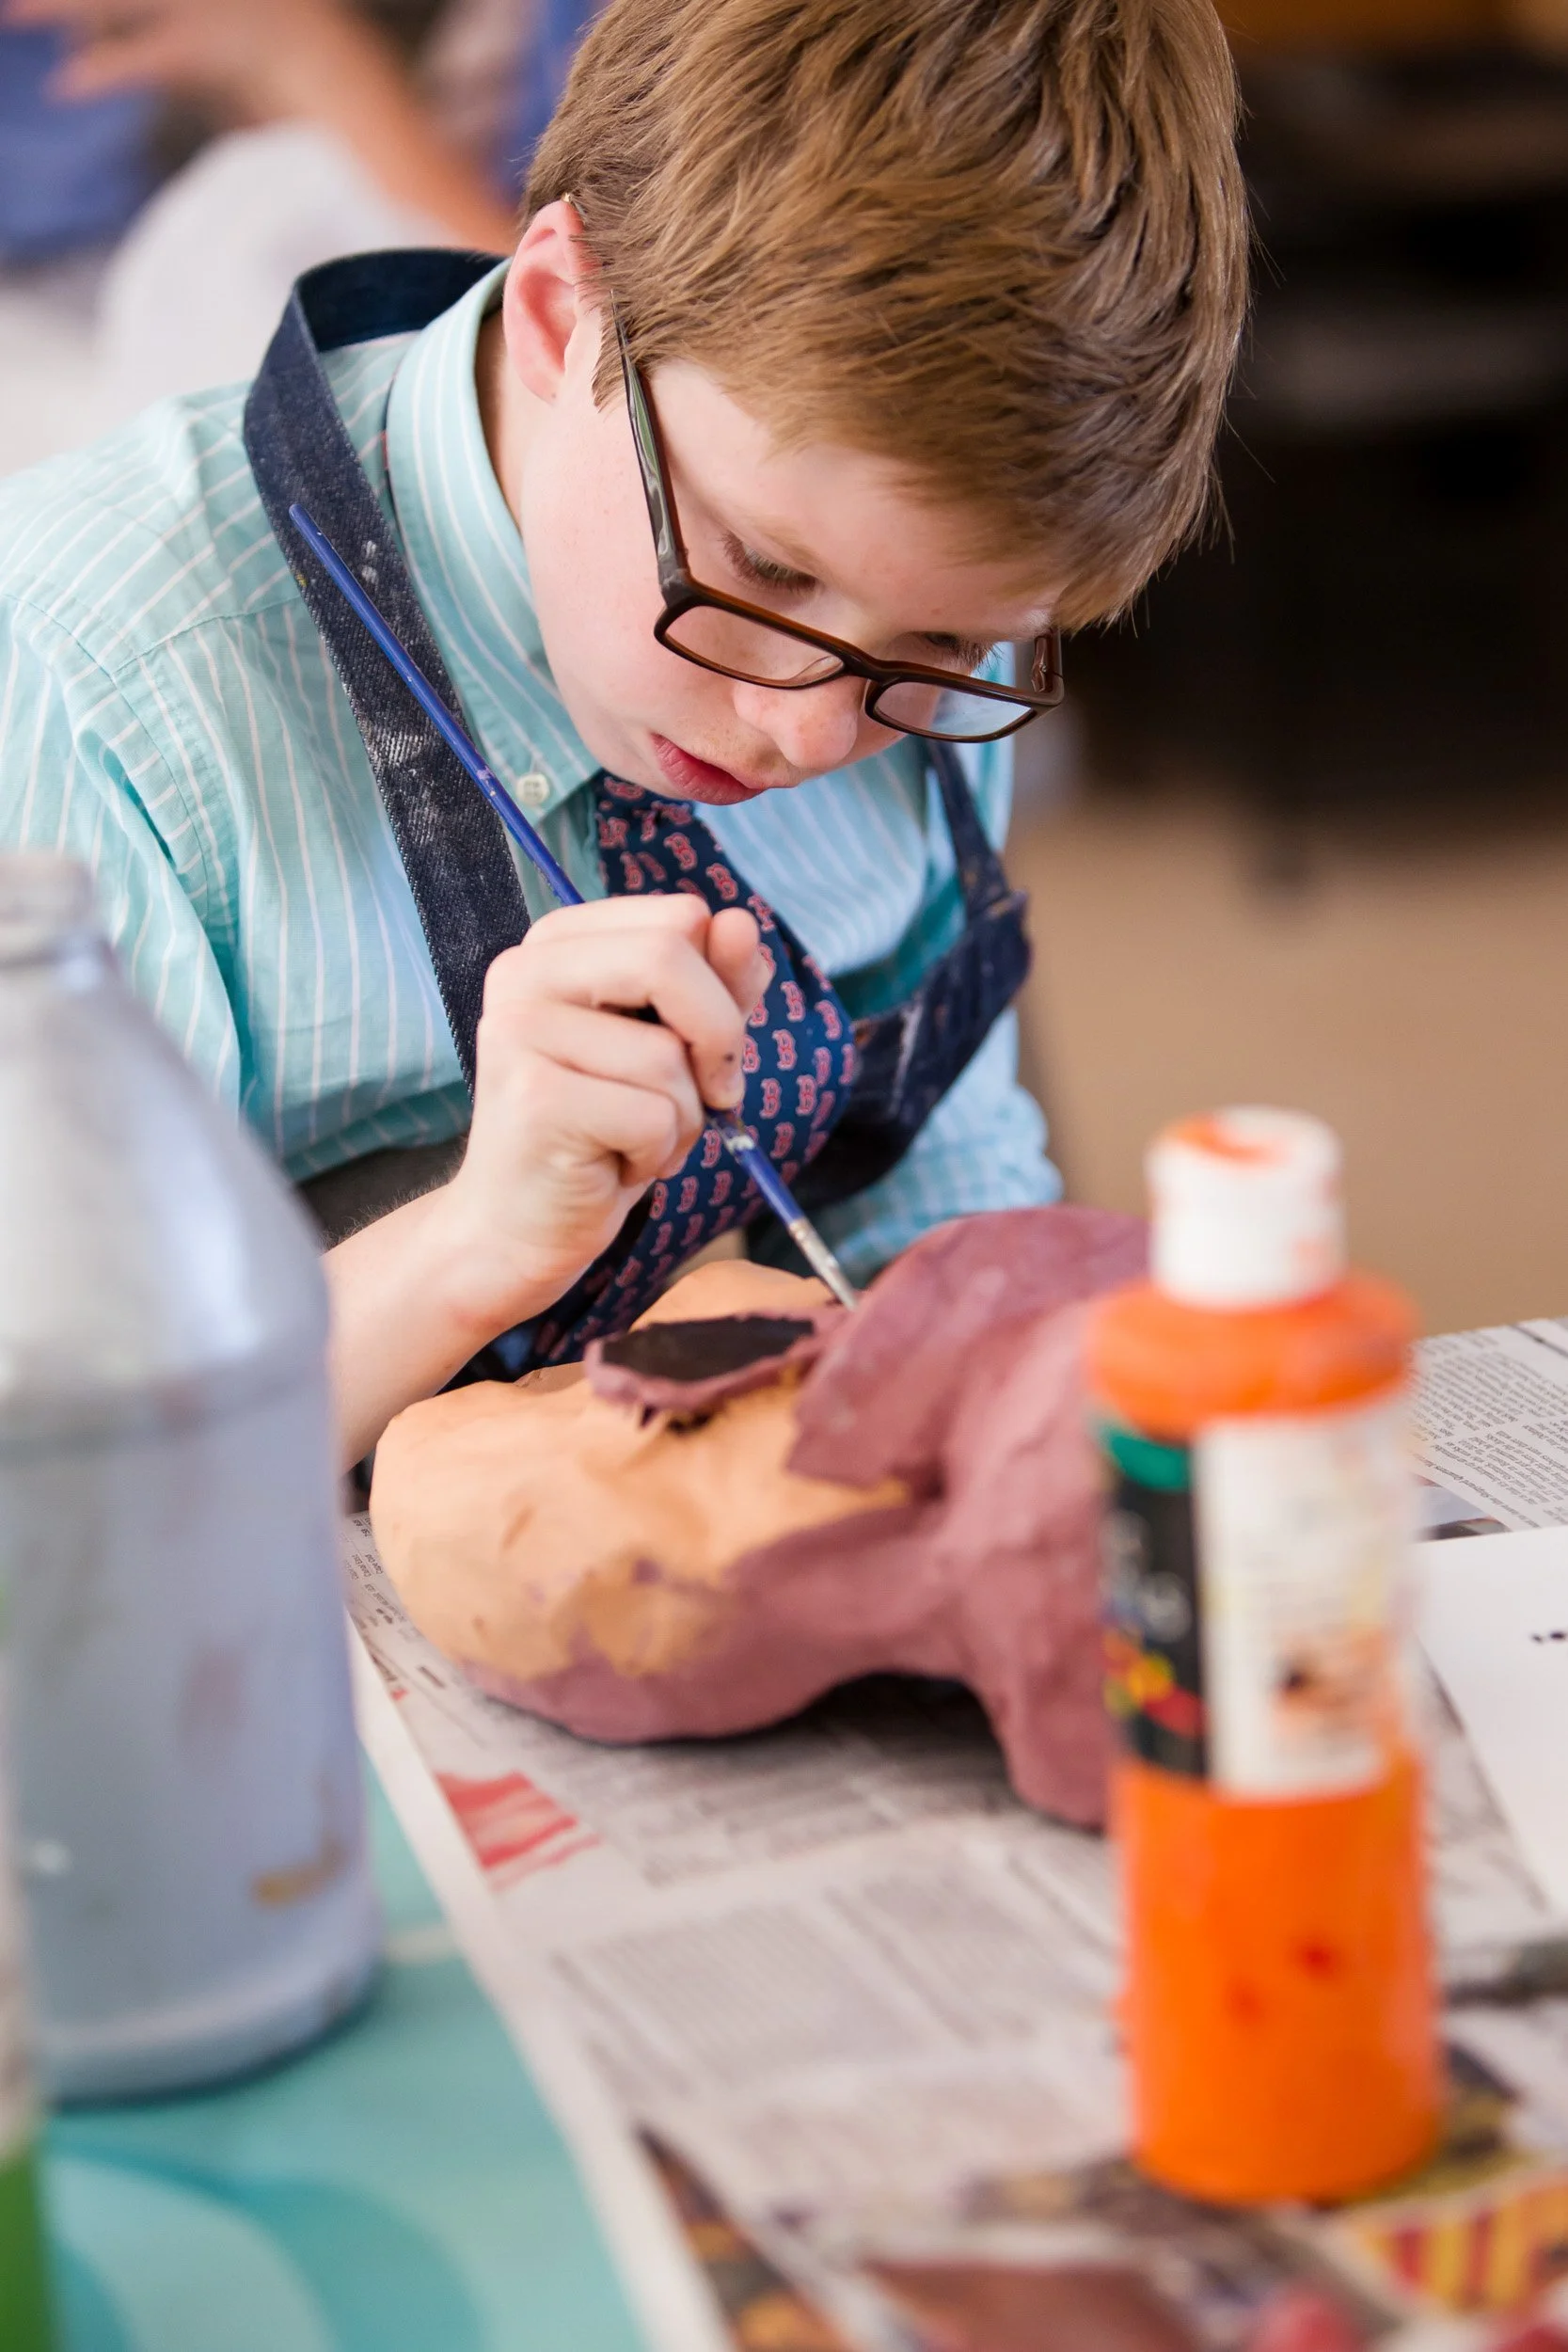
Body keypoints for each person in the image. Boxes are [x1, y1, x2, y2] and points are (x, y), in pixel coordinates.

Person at [0, 0, 1247, 1470]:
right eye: (760, 570)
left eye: (932, 648)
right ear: (553, 313)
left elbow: (942, 1196)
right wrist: (469, 1242)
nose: (799, 725)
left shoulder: (920, 655)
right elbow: (60, 1477)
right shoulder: (105, 681)